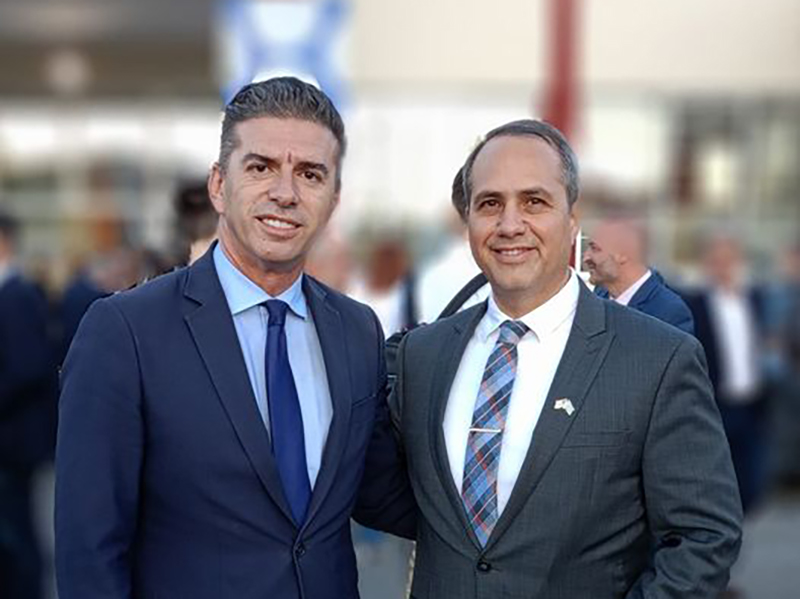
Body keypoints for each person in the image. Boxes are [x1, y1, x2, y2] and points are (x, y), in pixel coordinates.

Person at [55, 77, 415, 599]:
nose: (285, 193)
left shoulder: (356, 330)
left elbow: (381, 491)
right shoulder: (125, 332)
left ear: (333, 200)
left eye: (310, 174)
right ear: (219, 186)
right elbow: (90, 552)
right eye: (261, 167)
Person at [391, 119, 742, 598]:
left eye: (534, 202)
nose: (509, 225)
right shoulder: (422, 356)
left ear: (573, 219)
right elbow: (389, 500)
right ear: (468, 219)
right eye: (490, 203)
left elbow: (703, 536)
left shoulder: (658, 359)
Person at [685, 233, 768, 515]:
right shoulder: (695, 303)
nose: (723, 266)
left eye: (728, 259)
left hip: (751, 400)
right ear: (707, 263)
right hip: (715, 401)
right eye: (717, 260)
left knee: (750, 477)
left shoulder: (753, 298)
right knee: (716, 472)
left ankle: (741, 520)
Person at [0, 210, 57, 599]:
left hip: (14, 442)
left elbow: (28, 366)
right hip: (13, 440)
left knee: (17, 538)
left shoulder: (16, 295)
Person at [582, 215, 694, 334]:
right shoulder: (595, 299)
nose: (585, 258)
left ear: (623, 255)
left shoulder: (669, 311)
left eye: (595, 249)